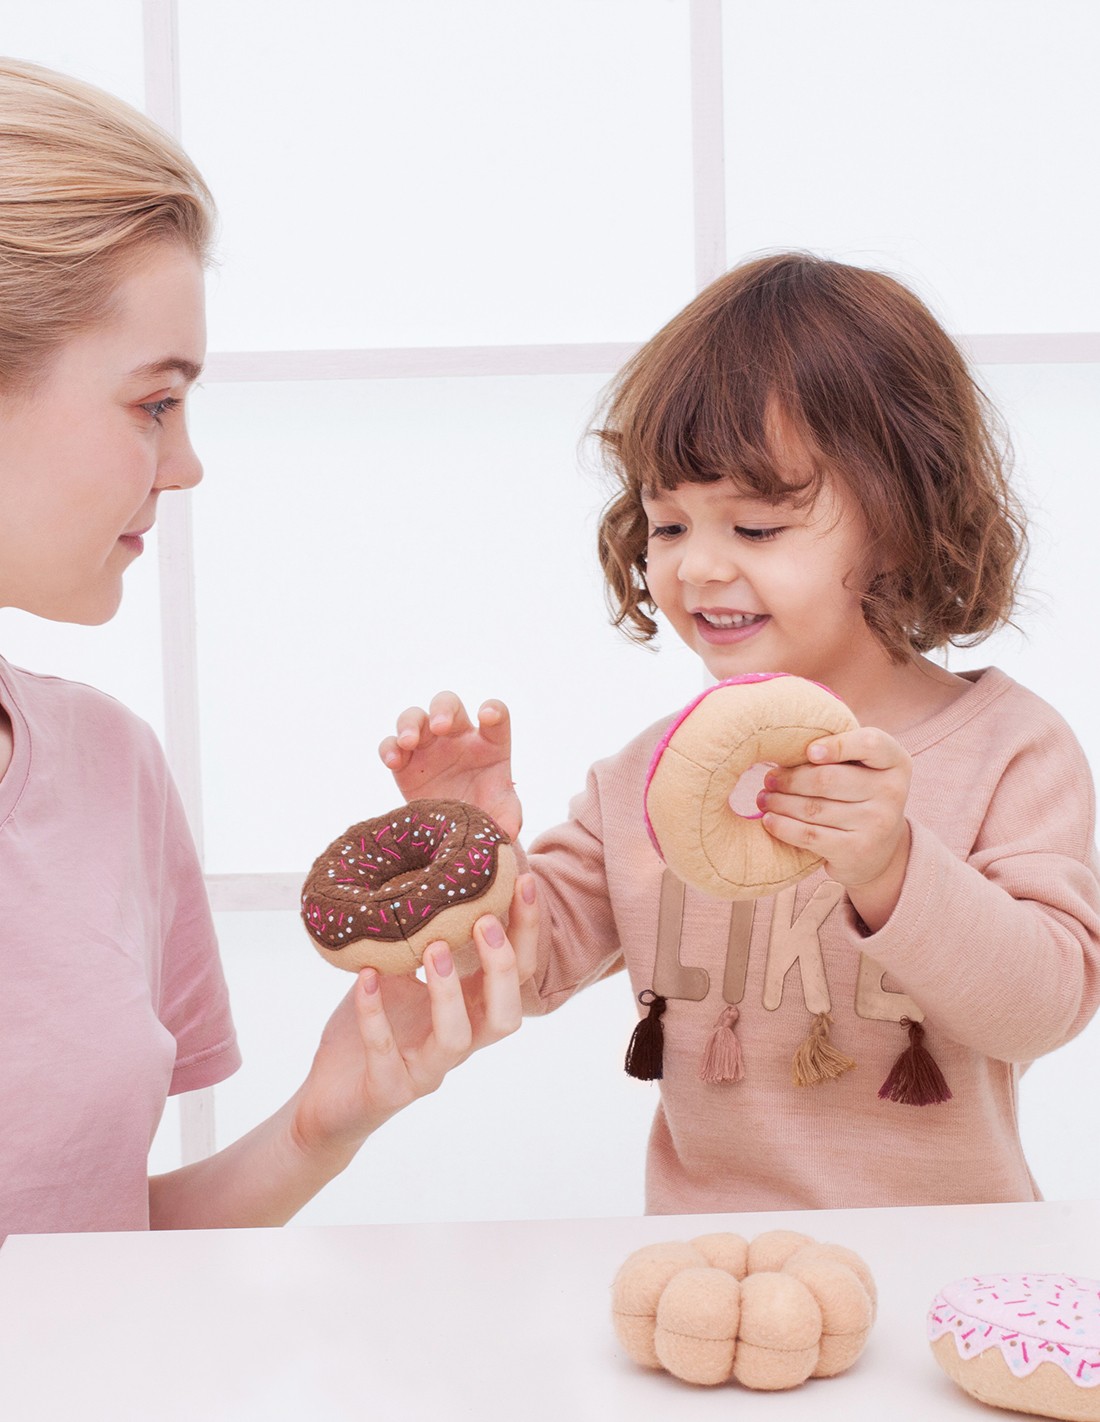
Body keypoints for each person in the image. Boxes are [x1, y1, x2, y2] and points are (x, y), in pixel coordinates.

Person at [381, 252, 1100, 1214]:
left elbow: (1043, 1009)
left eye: (756, 529)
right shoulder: (648, 772)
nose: (697, 569)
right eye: (669, 525)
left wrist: (890, 867)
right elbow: (530, 962)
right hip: (714, 1277)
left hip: (947, 1267)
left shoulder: (1009, 749)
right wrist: (471, 854)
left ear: (899, 519)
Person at [0, 57, 537, 1239]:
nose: (185, 463)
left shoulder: (105, 770)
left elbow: (91, 1253)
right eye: (154, 403)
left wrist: (323, 1121)